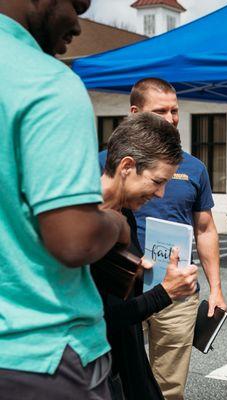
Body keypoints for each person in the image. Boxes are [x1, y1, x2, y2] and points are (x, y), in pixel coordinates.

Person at [0, 1, 131, 398]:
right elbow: (74, 240)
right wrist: (117, 224)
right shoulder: (46, 82)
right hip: (41, 354)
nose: (77, 24)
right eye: (74, 4)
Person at [99, 77, 225, 400]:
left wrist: (215, 289)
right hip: (132, 301)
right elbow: (102, 314)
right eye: (161, 111)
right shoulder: (91, 208)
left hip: (169, 294)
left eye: (175, 111)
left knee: (164, 389)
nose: (160, 193)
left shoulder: (193, 168)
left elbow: (206, 228)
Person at [95, 112, 198, 400]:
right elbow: (98, 318)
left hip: (121, 365)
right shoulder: (83, 221)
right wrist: (164, 293)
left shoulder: (125, 212)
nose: (162, 194)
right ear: (127, 166)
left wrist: (135, 271)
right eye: (157, 181)